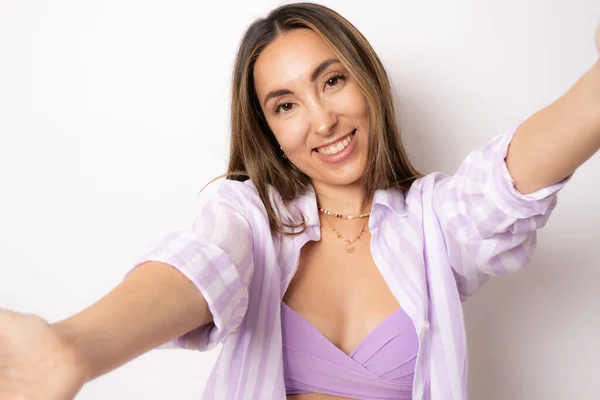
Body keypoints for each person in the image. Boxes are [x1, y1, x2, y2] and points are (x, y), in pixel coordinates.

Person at [1, 3, 599, 400]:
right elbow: (197, 268)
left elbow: (509, 182)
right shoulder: (249, 219)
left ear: (367, 81)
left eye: (332, 80)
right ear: (267, 129)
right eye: (285, 105)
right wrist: (73, 346)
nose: (322, 120)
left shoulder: (432, 223)